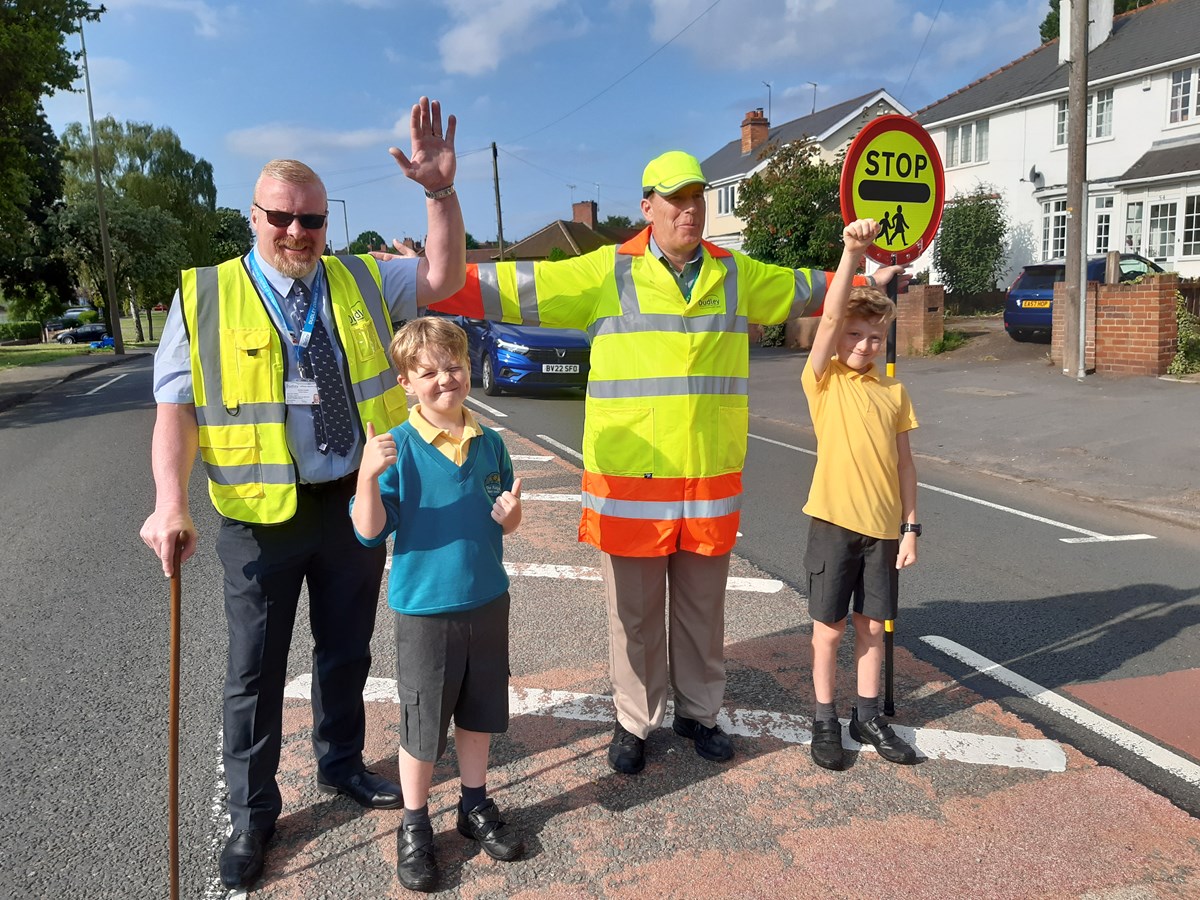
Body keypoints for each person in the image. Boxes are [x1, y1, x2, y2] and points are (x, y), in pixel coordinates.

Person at [426, 150, 903, 775]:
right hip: (630, 484)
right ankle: (634, 721)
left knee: (704, 613)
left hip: (707, 481)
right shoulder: (607, 271)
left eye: (698, 196)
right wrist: (419, 275)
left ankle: (700, 714)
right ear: (647, 207)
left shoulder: (735, 273)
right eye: (676, 199)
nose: (691, 209)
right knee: (635, 619)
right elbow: (506, 286)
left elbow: (809, 290)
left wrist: (859, 268)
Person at [138, 97, 466, 891]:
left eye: (312, 220)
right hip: (257, 518)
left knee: (346, 649)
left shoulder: (355, 277)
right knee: (254, 670)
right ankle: (252, 817)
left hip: (351, 503)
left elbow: (443, 275)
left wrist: (439, 195)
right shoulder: (206, 294)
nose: (298, 233)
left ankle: (341, 763)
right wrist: (169, 501)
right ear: (253, 217)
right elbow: (175, 412)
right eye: (282, 218)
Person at [350, 317, 524, 892]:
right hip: (425, 609)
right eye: (428, 372)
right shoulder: (396, 447)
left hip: (487, 600)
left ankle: (473, 807)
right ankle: (414, 824)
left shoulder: (490, 441)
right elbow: (369, 532)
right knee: (423, 724)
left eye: (454, 367)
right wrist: (368, 480)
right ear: (405, 381)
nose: (445, 380)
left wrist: (513, 516)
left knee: (478, 715)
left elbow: (506, 506)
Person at [801, 218, 920, 772]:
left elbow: (904, 463)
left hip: (882, 529)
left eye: (874, 336)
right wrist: (854, 255)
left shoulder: (894, 391)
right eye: (855, 334)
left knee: (873, 627)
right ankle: (825, 718)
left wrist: (910, 527)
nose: (864, 344)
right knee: (830, 629)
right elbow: (828, 319)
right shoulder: (823, 381)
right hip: (832, 522)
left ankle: (866, 715)